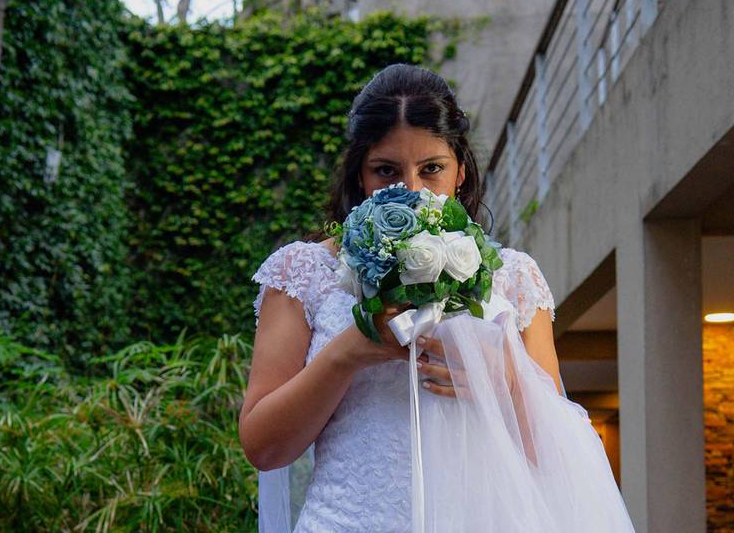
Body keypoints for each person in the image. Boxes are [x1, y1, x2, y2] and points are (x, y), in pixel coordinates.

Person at [239, 63, 634, 532]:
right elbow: (263, 448)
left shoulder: (512, 277)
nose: (410, 191)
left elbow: (558, 455)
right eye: (385, 170)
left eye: (432, 169)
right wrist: (348, 353)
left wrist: (506, 377)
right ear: (359, 176)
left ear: (461, 172)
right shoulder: (305, 273)